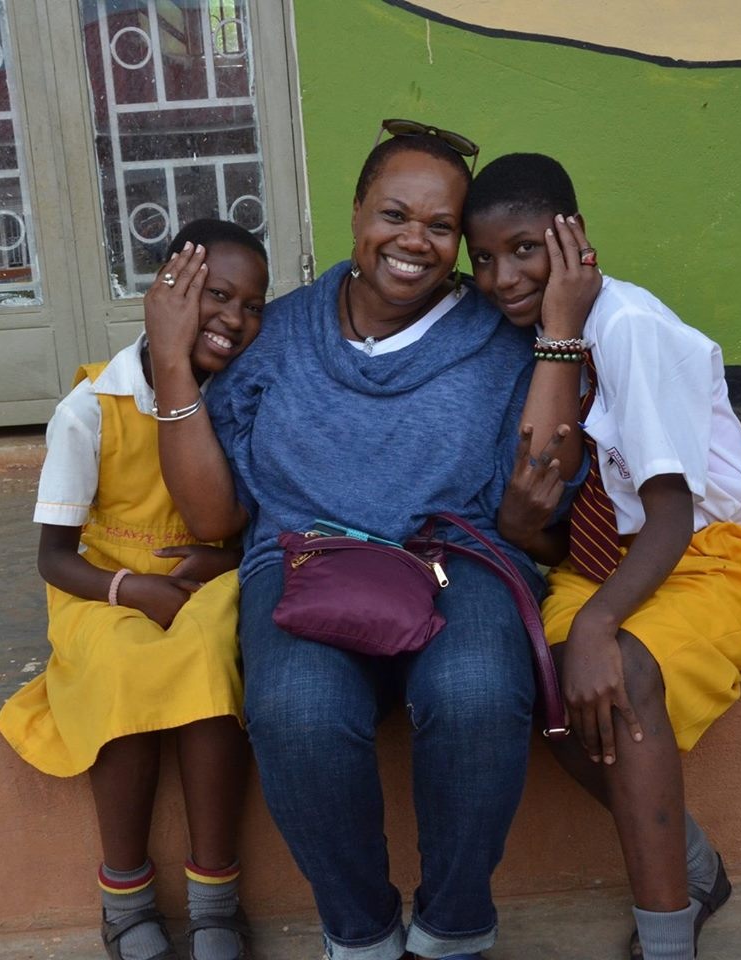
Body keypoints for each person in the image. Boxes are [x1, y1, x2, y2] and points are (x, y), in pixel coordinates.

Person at [190, 123, 586, 960]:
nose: (413, 241)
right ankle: (361, 935)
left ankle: (451, 930)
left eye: (439, 226)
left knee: (477, 691)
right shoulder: (281, 334)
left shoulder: (499, 339)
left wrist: (558, 325)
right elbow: (217, 495)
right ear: (356, 212)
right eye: (394, 214)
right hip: (302, 558)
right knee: (298, 710)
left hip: (458, 558)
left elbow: (545, 480)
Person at [464, 153, 741, 960]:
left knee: (616, 670)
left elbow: (670, 516)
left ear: (573, 237)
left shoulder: (628, 329)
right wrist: (526, 535)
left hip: (710, 557)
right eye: (482, 259)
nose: (501, 278)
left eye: (524, 249)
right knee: (545, 688)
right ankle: (690, 863)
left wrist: (596, 625)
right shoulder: (545, 335)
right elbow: (560, 493)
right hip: (599, 564)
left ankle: (665, 935)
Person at [0, 219, 270, 960]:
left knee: (211, 654)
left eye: (252, 306)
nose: (234, 319)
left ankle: (215, 894)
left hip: (207, 577)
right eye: (216, 295)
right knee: (118, 667)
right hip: (104, 586)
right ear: (167, 292)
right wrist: (130, 589)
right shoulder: (91, 406)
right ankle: (124, 893)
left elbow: (256, 519)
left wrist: (221, 562)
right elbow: (54, 558)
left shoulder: (245, 396)